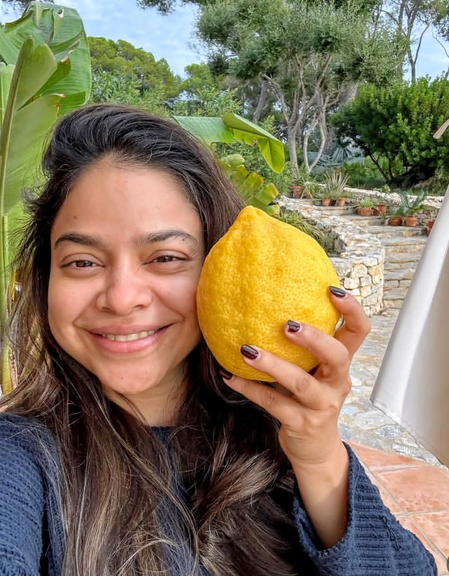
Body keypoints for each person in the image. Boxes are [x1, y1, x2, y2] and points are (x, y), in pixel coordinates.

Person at [0, 104, 437, 576]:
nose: (122, 299)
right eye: (83, 262)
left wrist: (320, 458)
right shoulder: (21, 457)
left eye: (165, 257)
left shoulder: (281, 442)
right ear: (46, 278)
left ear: (220, 269)